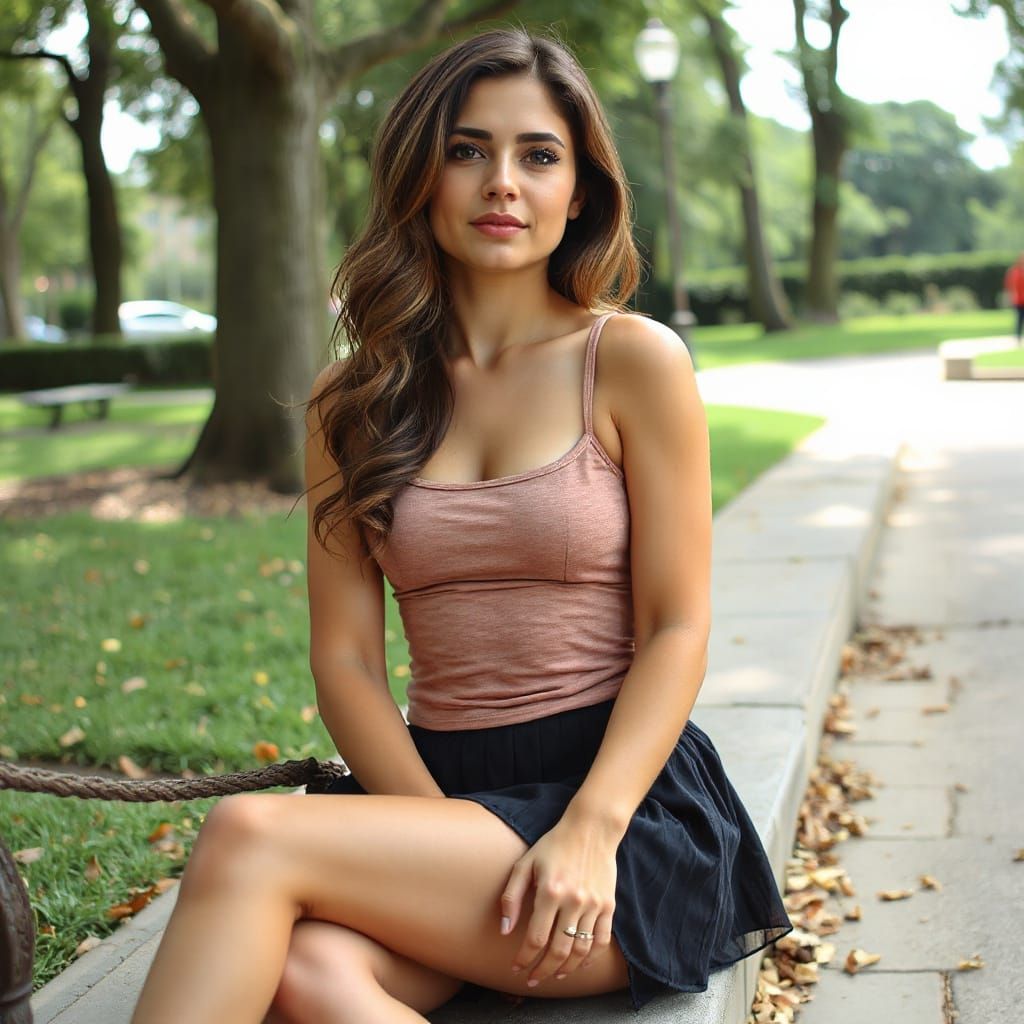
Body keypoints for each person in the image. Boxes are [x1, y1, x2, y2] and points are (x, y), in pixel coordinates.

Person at [131, 27, 792, 1023]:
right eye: (467, 149)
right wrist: (437, 841)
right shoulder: (348, 400)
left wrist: (585, 831)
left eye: (537, 155)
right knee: (309, 975)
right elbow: (347, 661)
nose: (501, 183)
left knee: (247, 837)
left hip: (617, 812)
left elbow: (676, 628)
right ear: (420, 175)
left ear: (580, 192)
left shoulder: (632, 362)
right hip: (431, 794)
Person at [1005, 252, 1024, 344]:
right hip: (1019, 300)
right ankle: (1018, 337)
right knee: (1019, 319)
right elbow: (1009, 285)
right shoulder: (1014, 271)